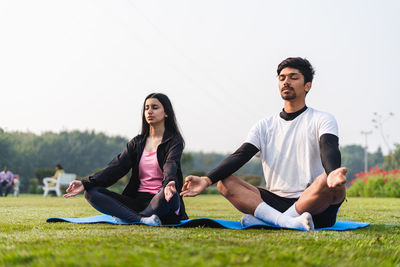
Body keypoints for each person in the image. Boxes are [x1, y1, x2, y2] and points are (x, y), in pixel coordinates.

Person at [181, 57, 347, 231]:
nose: (286, 82)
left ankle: (274, 220)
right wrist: (207, 180)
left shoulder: (322, 118)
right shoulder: (264, 125)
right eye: (282, 78)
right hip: (274, 201)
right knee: (224, 182)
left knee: (328, 182)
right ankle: (288, 221)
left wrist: (332, 173)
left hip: (313, 203)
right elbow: (240, 155)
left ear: (307, 85)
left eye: (293, 77)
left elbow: (328, 147)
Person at [64, 93, 188, 226]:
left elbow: (171, 164)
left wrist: (169, 183)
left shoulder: (174, 141)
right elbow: (116, 167)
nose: (149, 111)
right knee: (92, 193)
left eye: (155, 107)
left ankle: (129, 217)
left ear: (166, 113)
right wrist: (86, 183)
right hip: (136, 201)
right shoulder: (137, 142)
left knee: (168, 194)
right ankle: (141, 219)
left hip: (161, 198)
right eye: (146, 108)